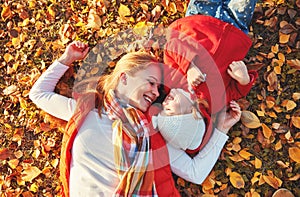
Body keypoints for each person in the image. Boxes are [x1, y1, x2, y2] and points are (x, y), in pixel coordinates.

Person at [29, 40, 242, 196]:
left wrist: (222, 130)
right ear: (124, 78)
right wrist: (66, 59)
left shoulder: (152, 136)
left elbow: (195, 173)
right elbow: (38, 95)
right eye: (150, 83)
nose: (157, 93)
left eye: (158, 88)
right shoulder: (87, 112)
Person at [162, 0, 259, 154]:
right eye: (168, 111)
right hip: (234, 30)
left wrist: (189, 67)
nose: (163, 104)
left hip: (199, 21)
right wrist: (244, 80)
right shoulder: (214, 105)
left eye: (162, 110)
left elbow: (171, 45)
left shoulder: (171, 82)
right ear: (189, 117)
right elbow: (236, 92)